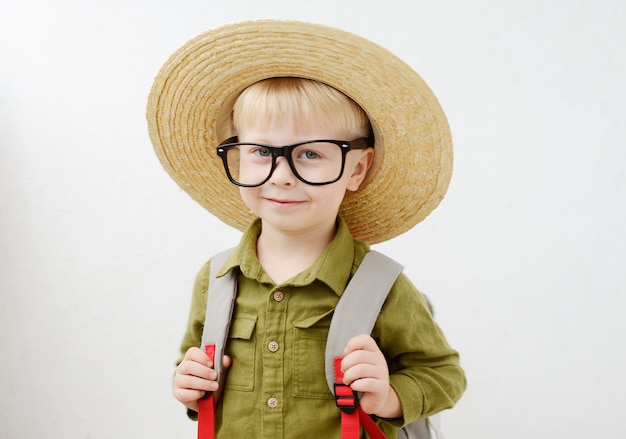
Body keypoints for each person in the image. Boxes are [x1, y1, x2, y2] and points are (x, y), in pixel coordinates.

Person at [147, 20, 466, 438]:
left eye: (311, 154)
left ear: (357, 168)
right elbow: (195, 366)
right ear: (238, 156)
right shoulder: (218, 280)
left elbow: (442, 374)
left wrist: (389, 395)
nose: (281, 175)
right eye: (262, 151)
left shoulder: (380, 285)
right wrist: (190, 386)